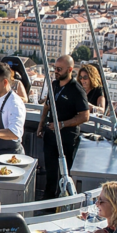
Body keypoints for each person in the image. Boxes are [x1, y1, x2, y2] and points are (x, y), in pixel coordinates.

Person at [37, 55, 90, 199]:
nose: (56, 71)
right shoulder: (54, 85)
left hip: (67, 138)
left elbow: (85, 116)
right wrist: (41, 125)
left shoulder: (77, 90)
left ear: (70, 70)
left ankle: (62, 202)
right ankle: (47, 202)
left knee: (64, 175)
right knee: (50, 172)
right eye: (55, 68)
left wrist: (62, 124)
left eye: (59, 69)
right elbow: (47, 105)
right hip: (50, 136)